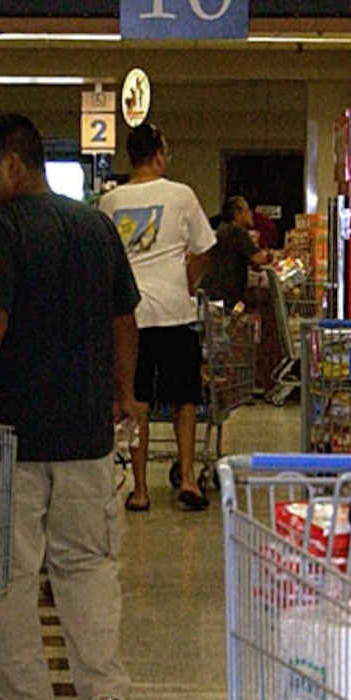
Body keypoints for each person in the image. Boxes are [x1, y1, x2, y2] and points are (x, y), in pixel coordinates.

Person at [0, 112, 138, 700]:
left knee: (10, 576)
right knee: (89, 566)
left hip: (11, 436)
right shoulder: (96, 226)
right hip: (85, 435)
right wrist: (123, 393)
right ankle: (104, 695)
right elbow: (124, 318)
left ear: (12, 165)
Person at [97, 123, 217, 511]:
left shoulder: (110, 202)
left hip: (127, 316)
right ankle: (186, 479)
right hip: (174, 310)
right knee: (184, 397)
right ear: (161, 154)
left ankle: (140, 489)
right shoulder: (181, 194)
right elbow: (203, 248)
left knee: (136, 400)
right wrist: (186, 279)